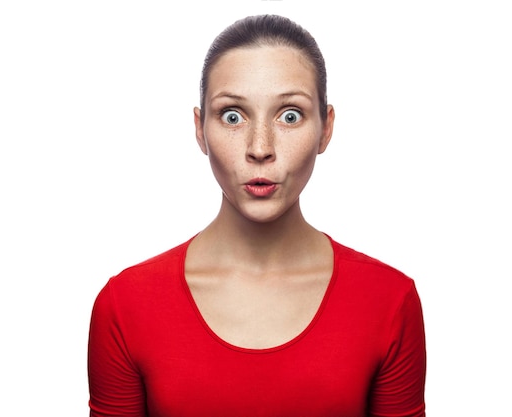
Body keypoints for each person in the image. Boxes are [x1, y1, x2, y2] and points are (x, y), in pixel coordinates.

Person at [88, 14, 426, 417]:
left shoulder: (388, 301)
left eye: (289, 116)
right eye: (233, 115)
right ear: (200, 130)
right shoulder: (126, 306)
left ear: (325, 128)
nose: (260, 148)